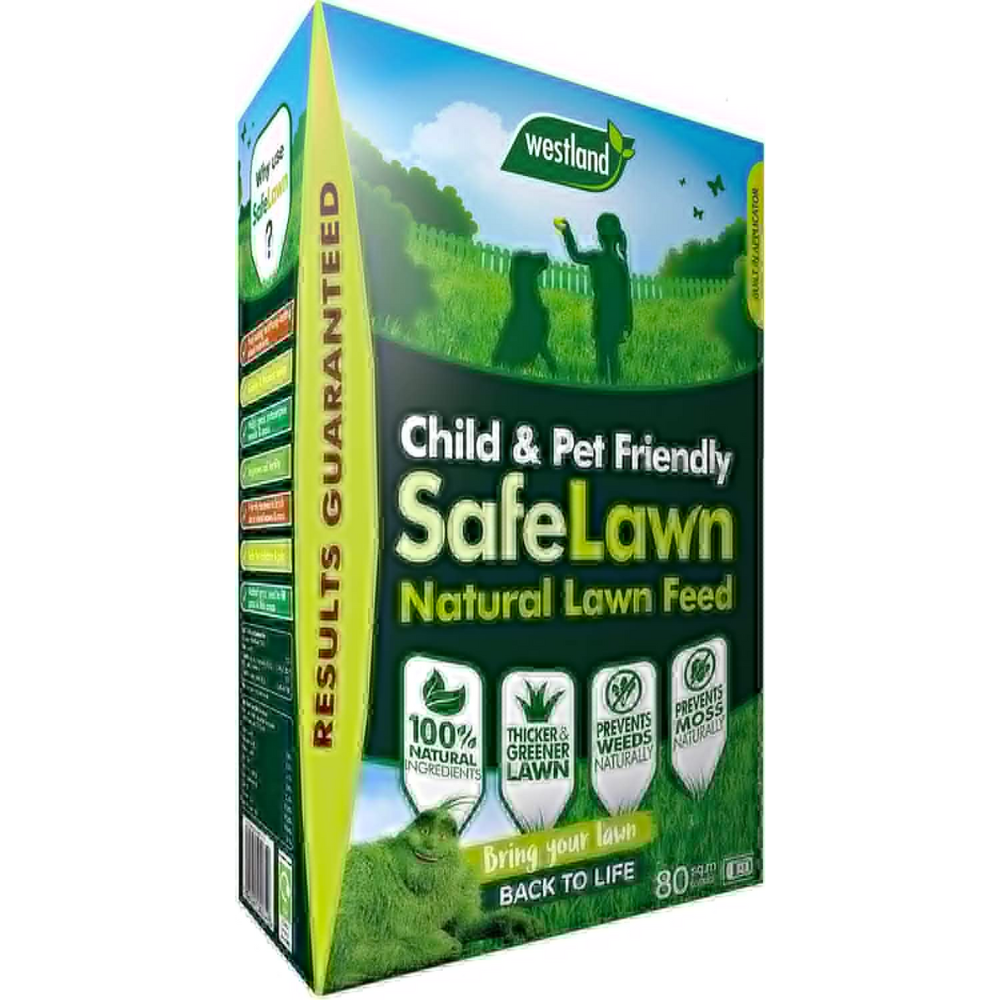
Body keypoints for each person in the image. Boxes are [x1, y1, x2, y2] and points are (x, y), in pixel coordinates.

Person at [556, 213, 633, 383]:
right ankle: (613, 386)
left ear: (599, 237)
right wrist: (628, 321)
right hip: (613, 317)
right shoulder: (620, 264)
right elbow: (626, 296)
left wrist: (567, 232)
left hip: (603, 315)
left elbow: (575, 255)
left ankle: (605, 386)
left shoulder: (599, 259)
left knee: (604, 356)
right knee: (611, 356)